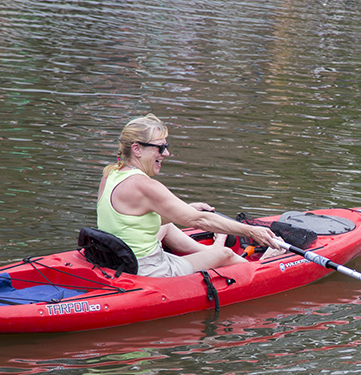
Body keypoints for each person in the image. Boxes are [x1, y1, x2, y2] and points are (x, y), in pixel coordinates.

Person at [97, 113, 283, 277]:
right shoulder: (145, 185)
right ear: (137, 149)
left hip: (119, 259)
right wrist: (252, 231)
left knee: (168, 225)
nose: (167, 153)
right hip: (148, 269)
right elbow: (198, 220)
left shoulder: (110, 174)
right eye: (160, 148)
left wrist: (184, 210)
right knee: (224, 254)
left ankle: (208, 251)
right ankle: (263, 267)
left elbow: (128, 220)